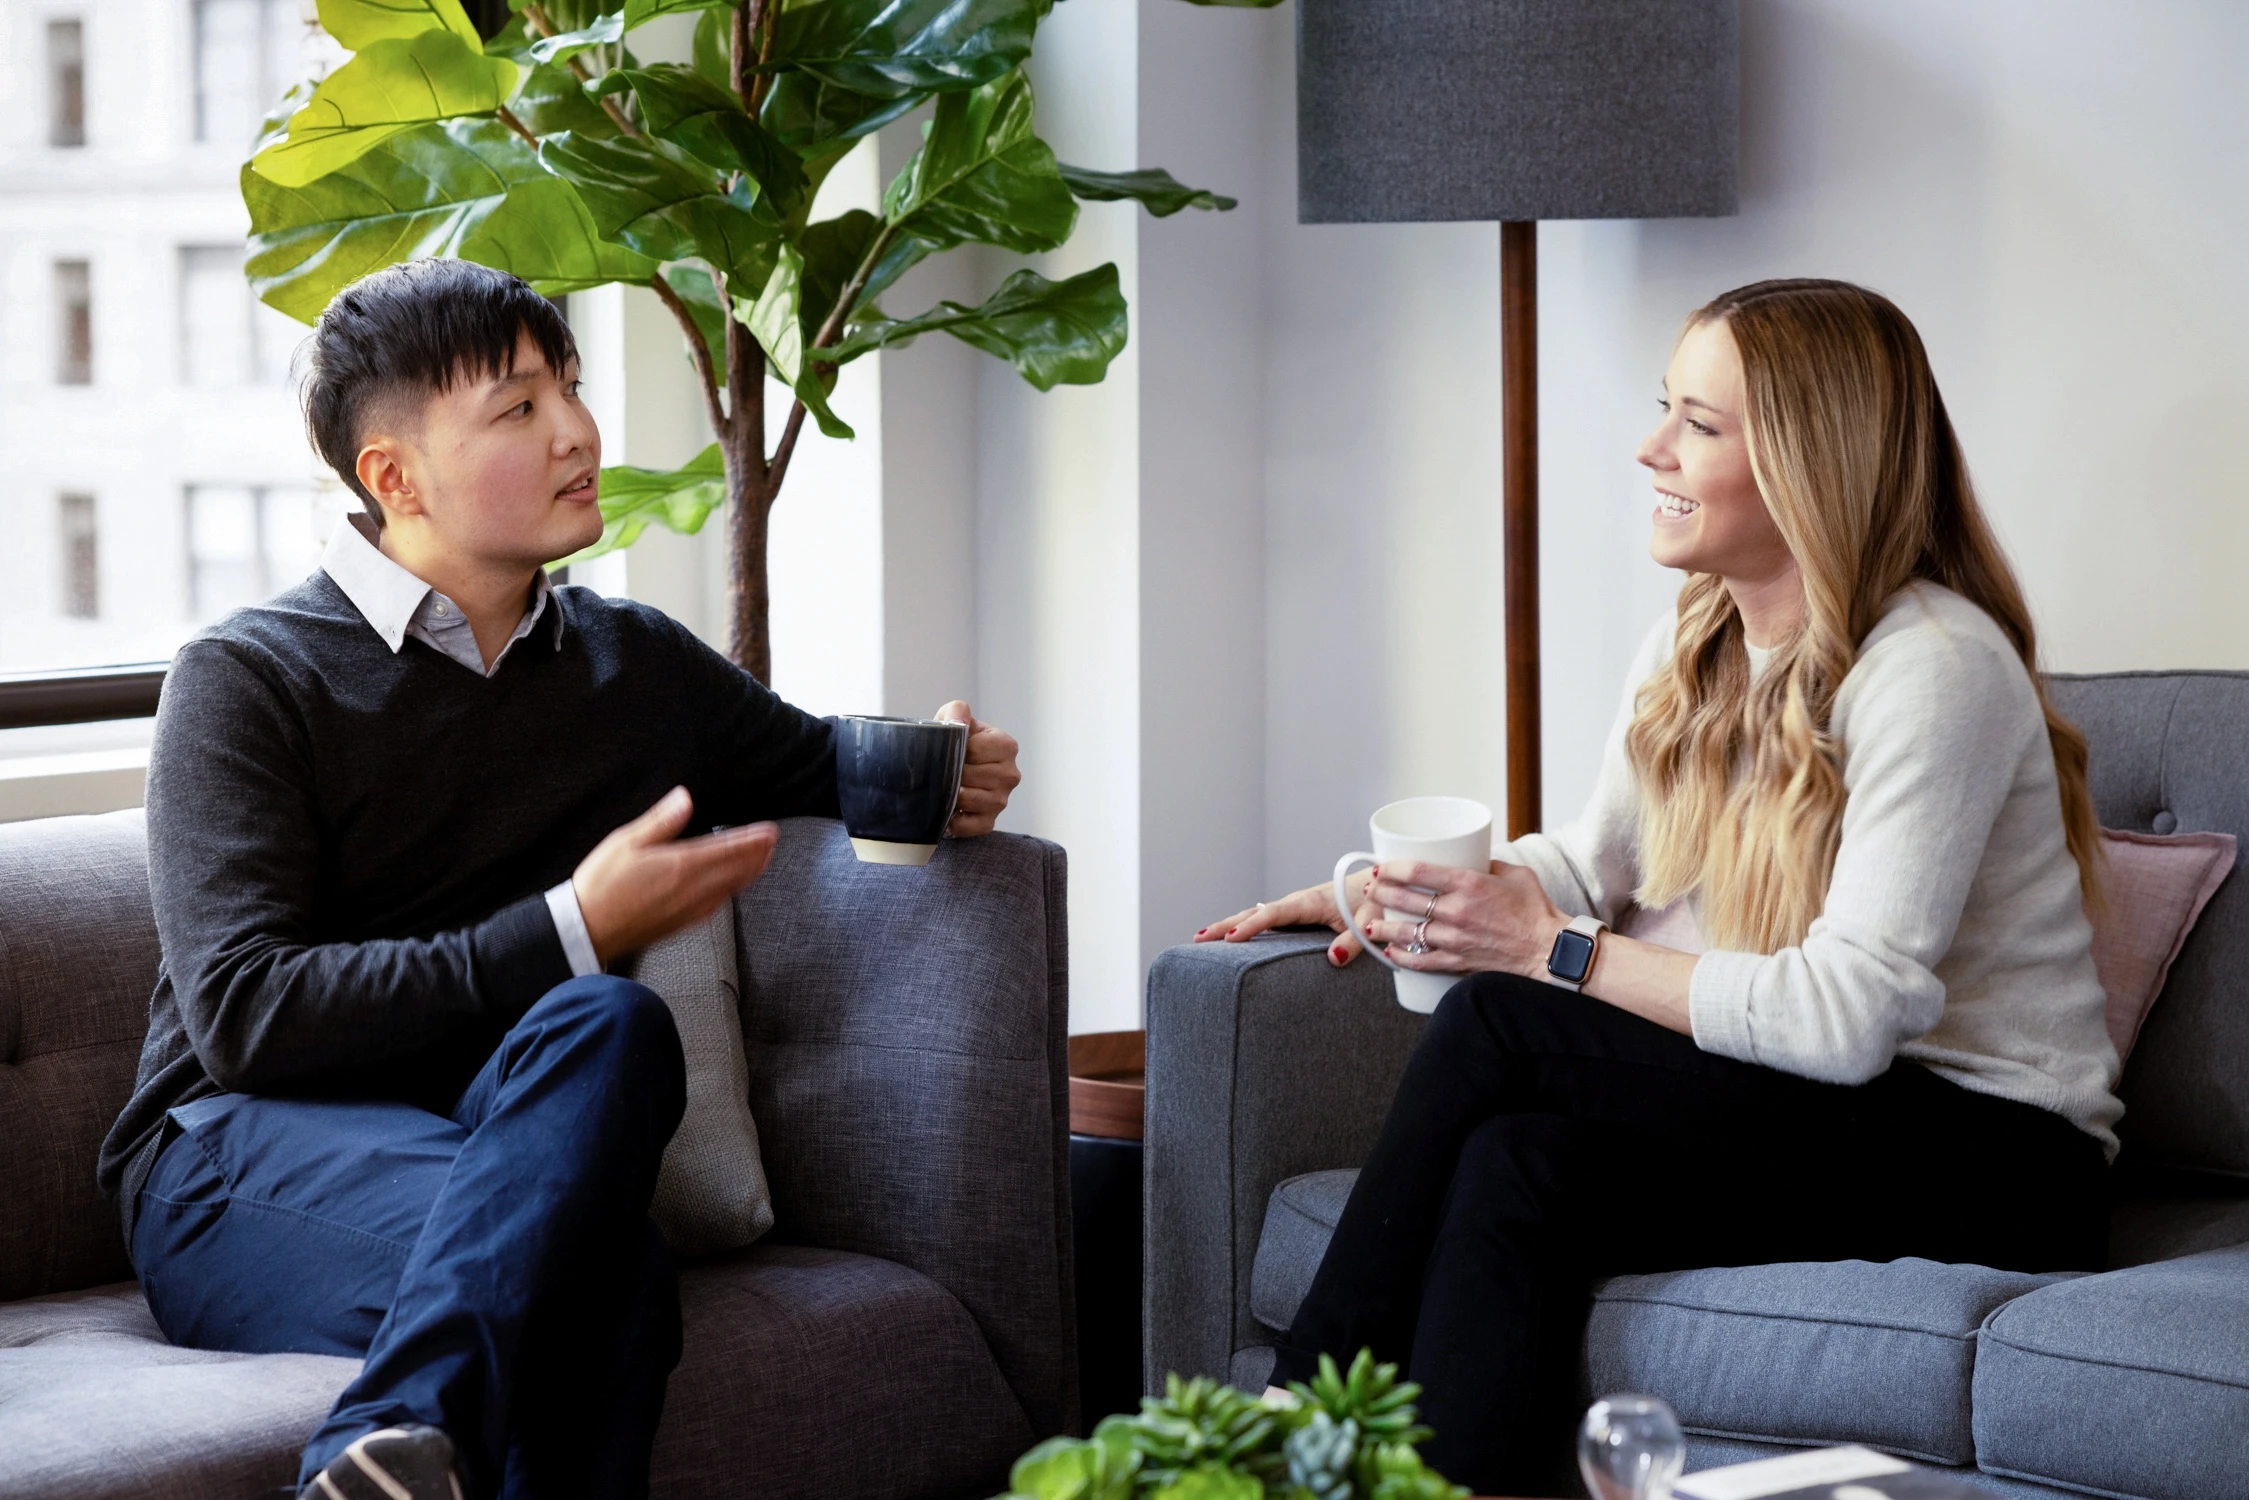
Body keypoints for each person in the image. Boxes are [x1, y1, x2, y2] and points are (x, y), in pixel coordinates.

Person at [95, 258, 1023, 1500]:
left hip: (486, 1143)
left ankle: (377, 1457)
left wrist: (944, 766)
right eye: (519, 408)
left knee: (610, 1020)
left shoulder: (629, 664)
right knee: (608, 1277)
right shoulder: (247, 678)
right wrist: (571, 924)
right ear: (393, 476)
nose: (580, 433)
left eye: (571, 391)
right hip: (232, 1161)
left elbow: (825, 764)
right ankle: (374, 1452)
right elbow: (250, 1019)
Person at [1196, 279, 2120, 1493]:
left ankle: (1281, 1431)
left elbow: (1845, 1019)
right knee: (1513, 1161)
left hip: (1998, 1157)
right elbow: (1585, 866)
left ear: (1807, 460)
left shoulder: (1933, 667)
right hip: (1823, 1116)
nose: (1649, 448)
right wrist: (1407, 895)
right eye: (1662, 409)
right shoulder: (1698, 640)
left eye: (1697, 422)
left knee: (1497, 1017)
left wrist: (1546, 951)